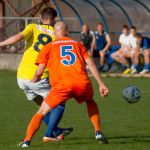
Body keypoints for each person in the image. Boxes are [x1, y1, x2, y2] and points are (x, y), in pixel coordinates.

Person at [18, 21, 109, 148]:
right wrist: (101, 84)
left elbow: (39, 71)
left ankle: (26, 141)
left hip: (62, 86)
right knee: (90, 101)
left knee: (42, 112)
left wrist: (34, 79)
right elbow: (91, 64)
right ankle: (98, 131)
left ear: (54, 33)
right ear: (67, 32)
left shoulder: (48, 46)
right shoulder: (78, 44)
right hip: (81, 82)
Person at [0, 7, 72, 141]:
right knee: (60, 102)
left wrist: (1, 43)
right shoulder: (57, 34)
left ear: (40, 18)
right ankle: (49, 134)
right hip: (39, 77)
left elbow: (17, 38)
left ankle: (58, 131)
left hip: (21, 77)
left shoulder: (33, 27)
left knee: (42, 107)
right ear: (54, 20)